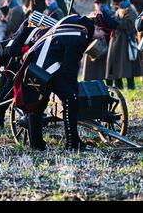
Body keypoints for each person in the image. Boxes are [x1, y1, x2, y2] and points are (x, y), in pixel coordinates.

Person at [14, 15, 107, 151]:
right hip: (46, 66)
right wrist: (74, 90)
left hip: (37, 62)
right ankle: (72, 144)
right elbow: (70, 68)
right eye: (102, 34)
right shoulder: (79, 37)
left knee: (39, 103)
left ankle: (36, 144)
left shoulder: (74, 19)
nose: (101, 38)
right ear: (97, 28)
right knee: (71, 98)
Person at [105, 0, 142, 90]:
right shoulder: (118, 11)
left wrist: (116, 23)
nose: (118, 5)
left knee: (127, 68)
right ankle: (118, 86)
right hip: (116, 41)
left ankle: (131, 87)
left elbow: (131, 25)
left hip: (125, 42)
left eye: (118, 3)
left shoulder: (130, 10)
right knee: (116, 66)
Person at [82, 0, 118, 82]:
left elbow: (112, 26)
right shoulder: (92, 14)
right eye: (97, 3)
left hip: (106, 41)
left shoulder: (111, 14)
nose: (99, 5)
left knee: (106, 67)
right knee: (92, 68)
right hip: (93, 42)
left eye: (101, 3)